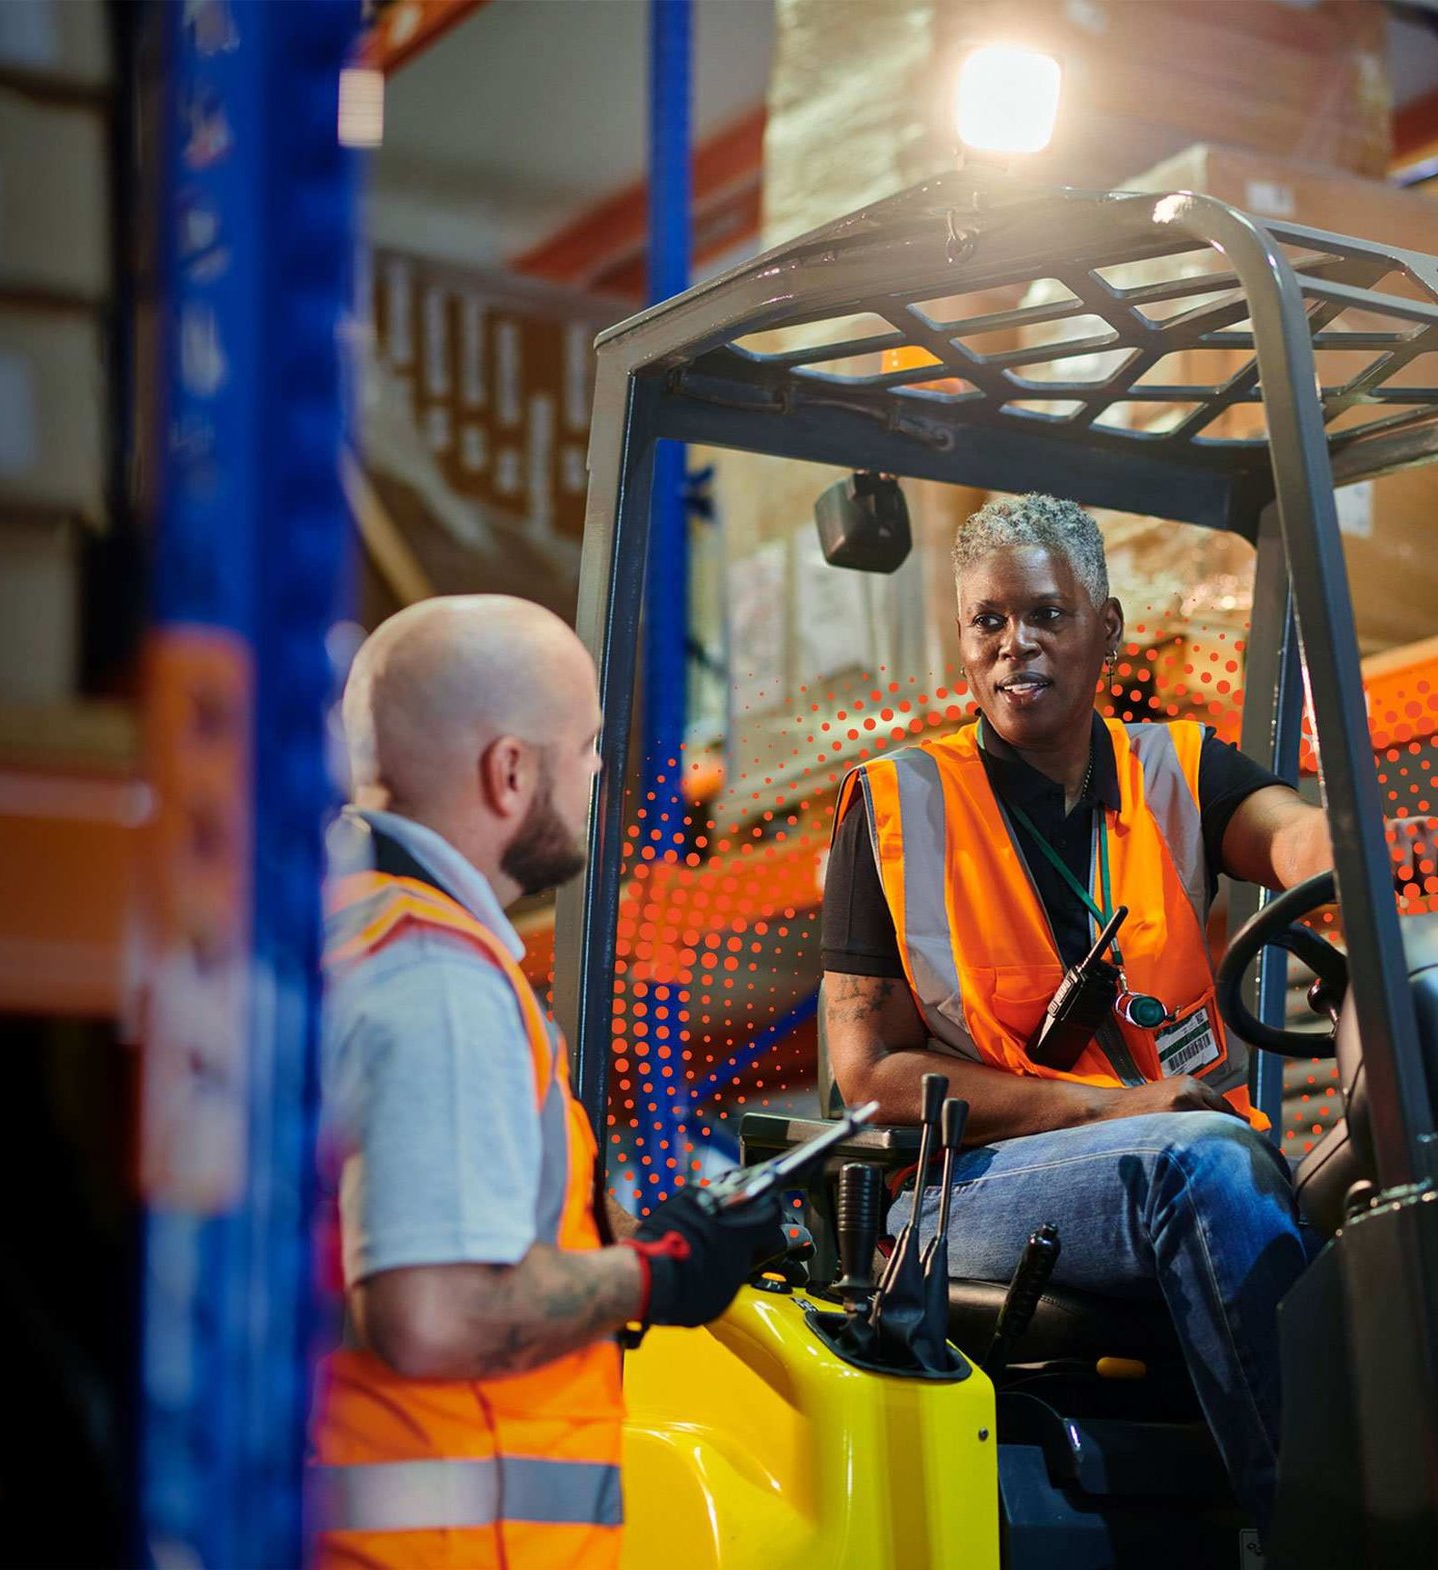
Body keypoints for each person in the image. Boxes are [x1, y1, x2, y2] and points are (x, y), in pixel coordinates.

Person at [820, 493, 1330, 1534]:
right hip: (960, 1186)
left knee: (1361, 1185)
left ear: (1105, 627)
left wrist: (1342, 876)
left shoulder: (1176, 770)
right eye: (988, 622)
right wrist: (1109, 1110)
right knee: (1200, 1166)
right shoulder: (894, 805)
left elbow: (1296, 841)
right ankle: (1329, 1533)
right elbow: (866, 1078)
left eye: (1045, 616)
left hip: (1163, 1139)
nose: (1016, 647)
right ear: (961, 641)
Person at [309, 594, 784, 1570]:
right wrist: (658, 1270)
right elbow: (431, 1312)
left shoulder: (354, 927)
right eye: (585, 748)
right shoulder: (438, 977)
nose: (596, 773)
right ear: (510, 770)